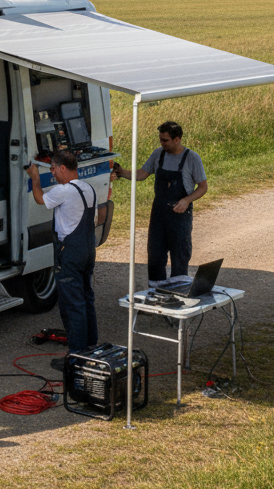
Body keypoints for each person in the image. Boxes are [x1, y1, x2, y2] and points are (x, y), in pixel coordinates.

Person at [113, 121, 207, 287]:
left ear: (177, 139)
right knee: (155, 255)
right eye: (161, 139)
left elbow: (203, 187)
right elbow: (141, 174)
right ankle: (155, 293)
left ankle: (178, 294)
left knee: (180, 255)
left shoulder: (192, 158)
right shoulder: (158, 154)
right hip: (158, 214)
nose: (162, 143)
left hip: (180, 216)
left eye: (165, 140)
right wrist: (122, 172)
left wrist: (186, 200)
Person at [27, 149, 98, 370]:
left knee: (72, 304)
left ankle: (76, 357)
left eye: (53, 169)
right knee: (86, 298)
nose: (53, 173)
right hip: (88, 249)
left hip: (71, 253)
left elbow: (40, 199)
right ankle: (91, 347)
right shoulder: (89, 189)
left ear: (63, 168)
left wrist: (35, 177)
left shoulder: (63, 191)